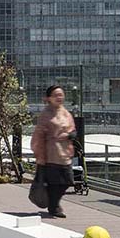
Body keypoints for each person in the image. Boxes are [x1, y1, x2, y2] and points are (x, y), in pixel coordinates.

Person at [30, 84, 76, 218]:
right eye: (56, 95)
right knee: (55, 183)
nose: (59, 97)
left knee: (68, 180)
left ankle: (53, 203)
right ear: (49, 98)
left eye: (61, 95)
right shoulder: (45, 115)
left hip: (65, 153)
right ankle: (54, 206)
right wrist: (39, 155)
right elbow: (38, 135)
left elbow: (73, 130)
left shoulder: (66, 113)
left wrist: (69, 135)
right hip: (51, 154)